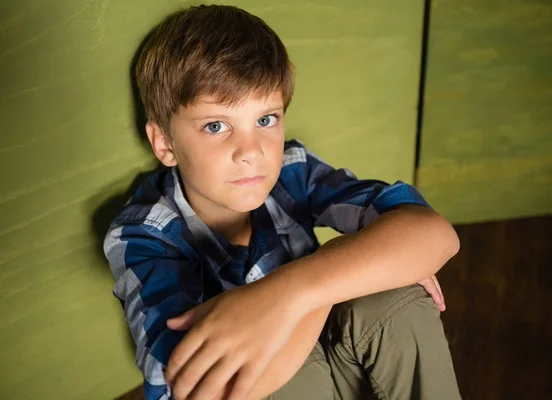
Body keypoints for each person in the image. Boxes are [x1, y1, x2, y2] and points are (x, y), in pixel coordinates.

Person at [104, 4, 462, 400]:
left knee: (394, 295)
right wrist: (330, 278)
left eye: (265, 119)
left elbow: (435, 234)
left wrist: (293, 295)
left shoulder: (292, 171)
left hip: (340, 368)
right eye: (216, 126)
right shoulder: (145, 234)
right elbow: (193, 392)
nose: (251, 151)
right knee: (264, 360)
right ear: (165, 144)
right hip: (282, 387)